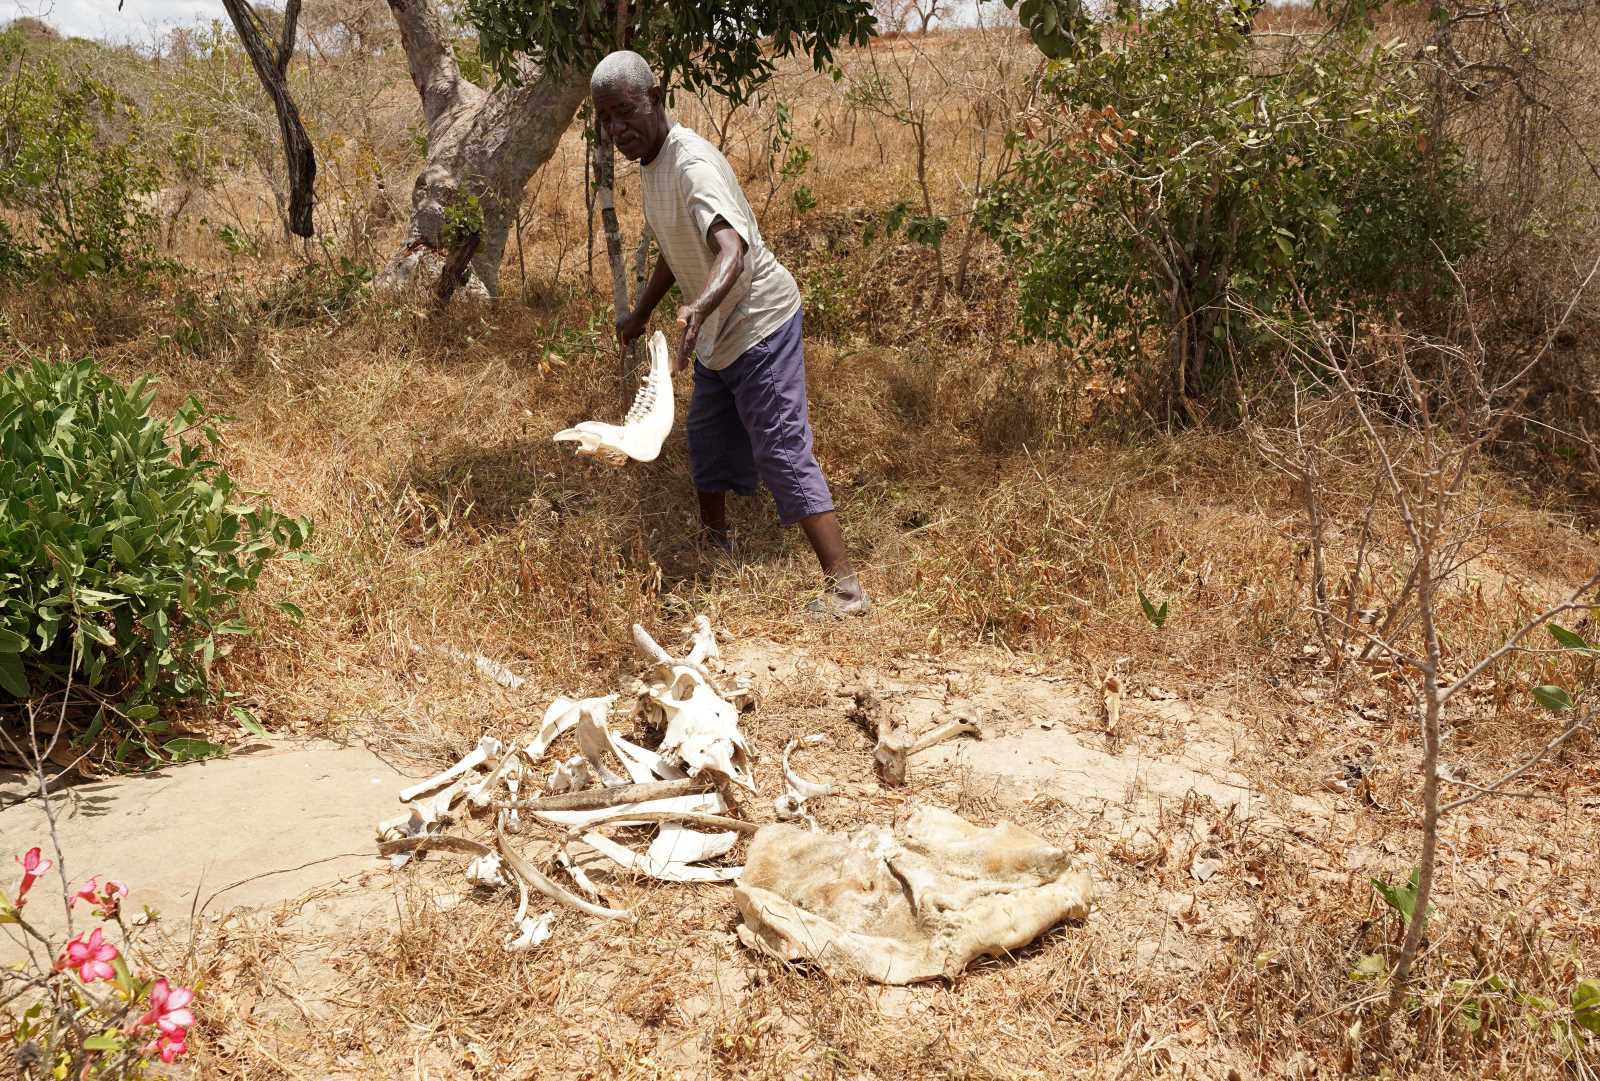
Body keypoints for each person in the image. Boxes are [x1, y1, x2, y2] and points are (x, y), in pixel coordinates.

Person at [591, 50, 869, 619]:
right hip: (718, 326)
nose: (619, 130)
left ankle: (845, 587)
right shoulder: (652, 165)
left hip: (759, 319)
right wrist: (642, 313)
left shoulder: (691, 163)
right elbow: (675, 247)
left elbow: (731, 250)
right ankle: (717, 542)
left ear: (658, 98)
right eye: (608, 120)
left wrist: (696, 307)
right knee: (709, 437)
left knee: (780, 446)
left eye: (626, 112)